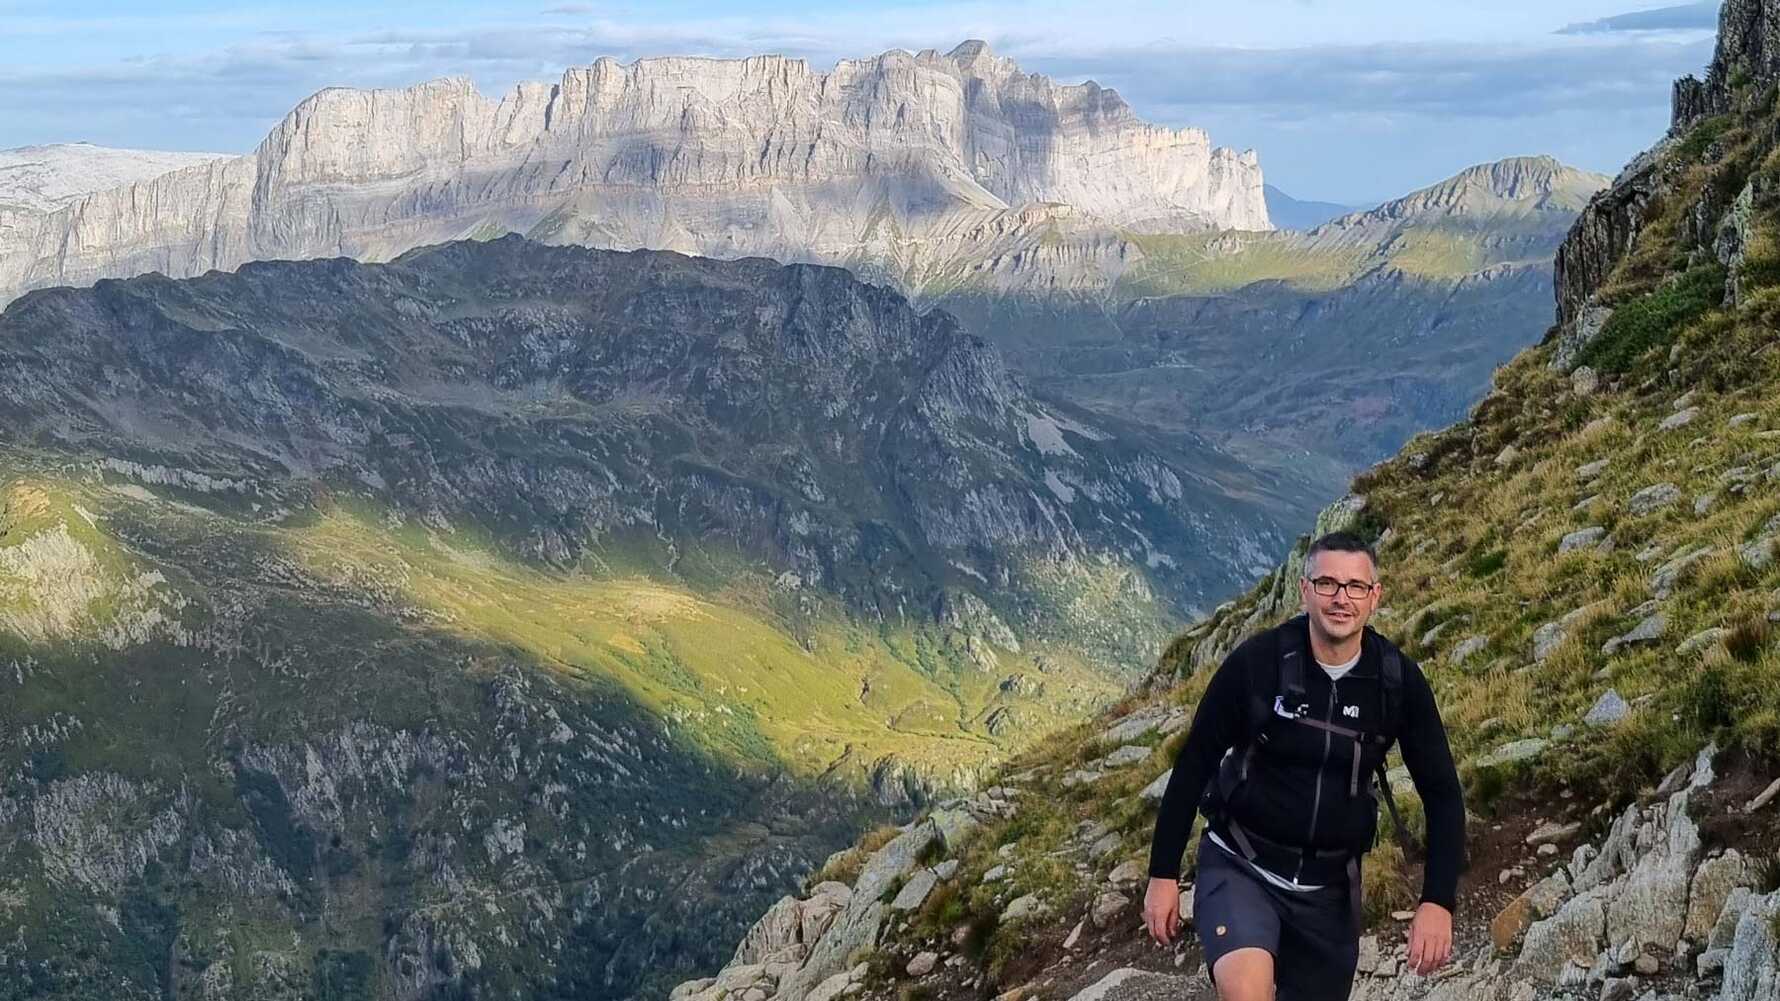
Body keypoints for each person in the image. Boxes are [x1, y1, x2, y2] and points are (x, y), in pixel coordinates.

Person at [1142, 531, 1464, 1001]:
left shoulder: (1397, 682)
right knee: (1246, 992)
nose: (1341, 599)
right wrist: (1162, 874)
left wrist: (1437, 901)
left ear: (1375, 597)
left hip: (1329, 890)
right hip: (1242, 862)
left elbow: (1442, 793)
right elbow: (1194, 764)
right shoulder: (1258, 664)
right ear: (1304, 590)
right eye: (1327, 583)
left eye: (1355, 586)